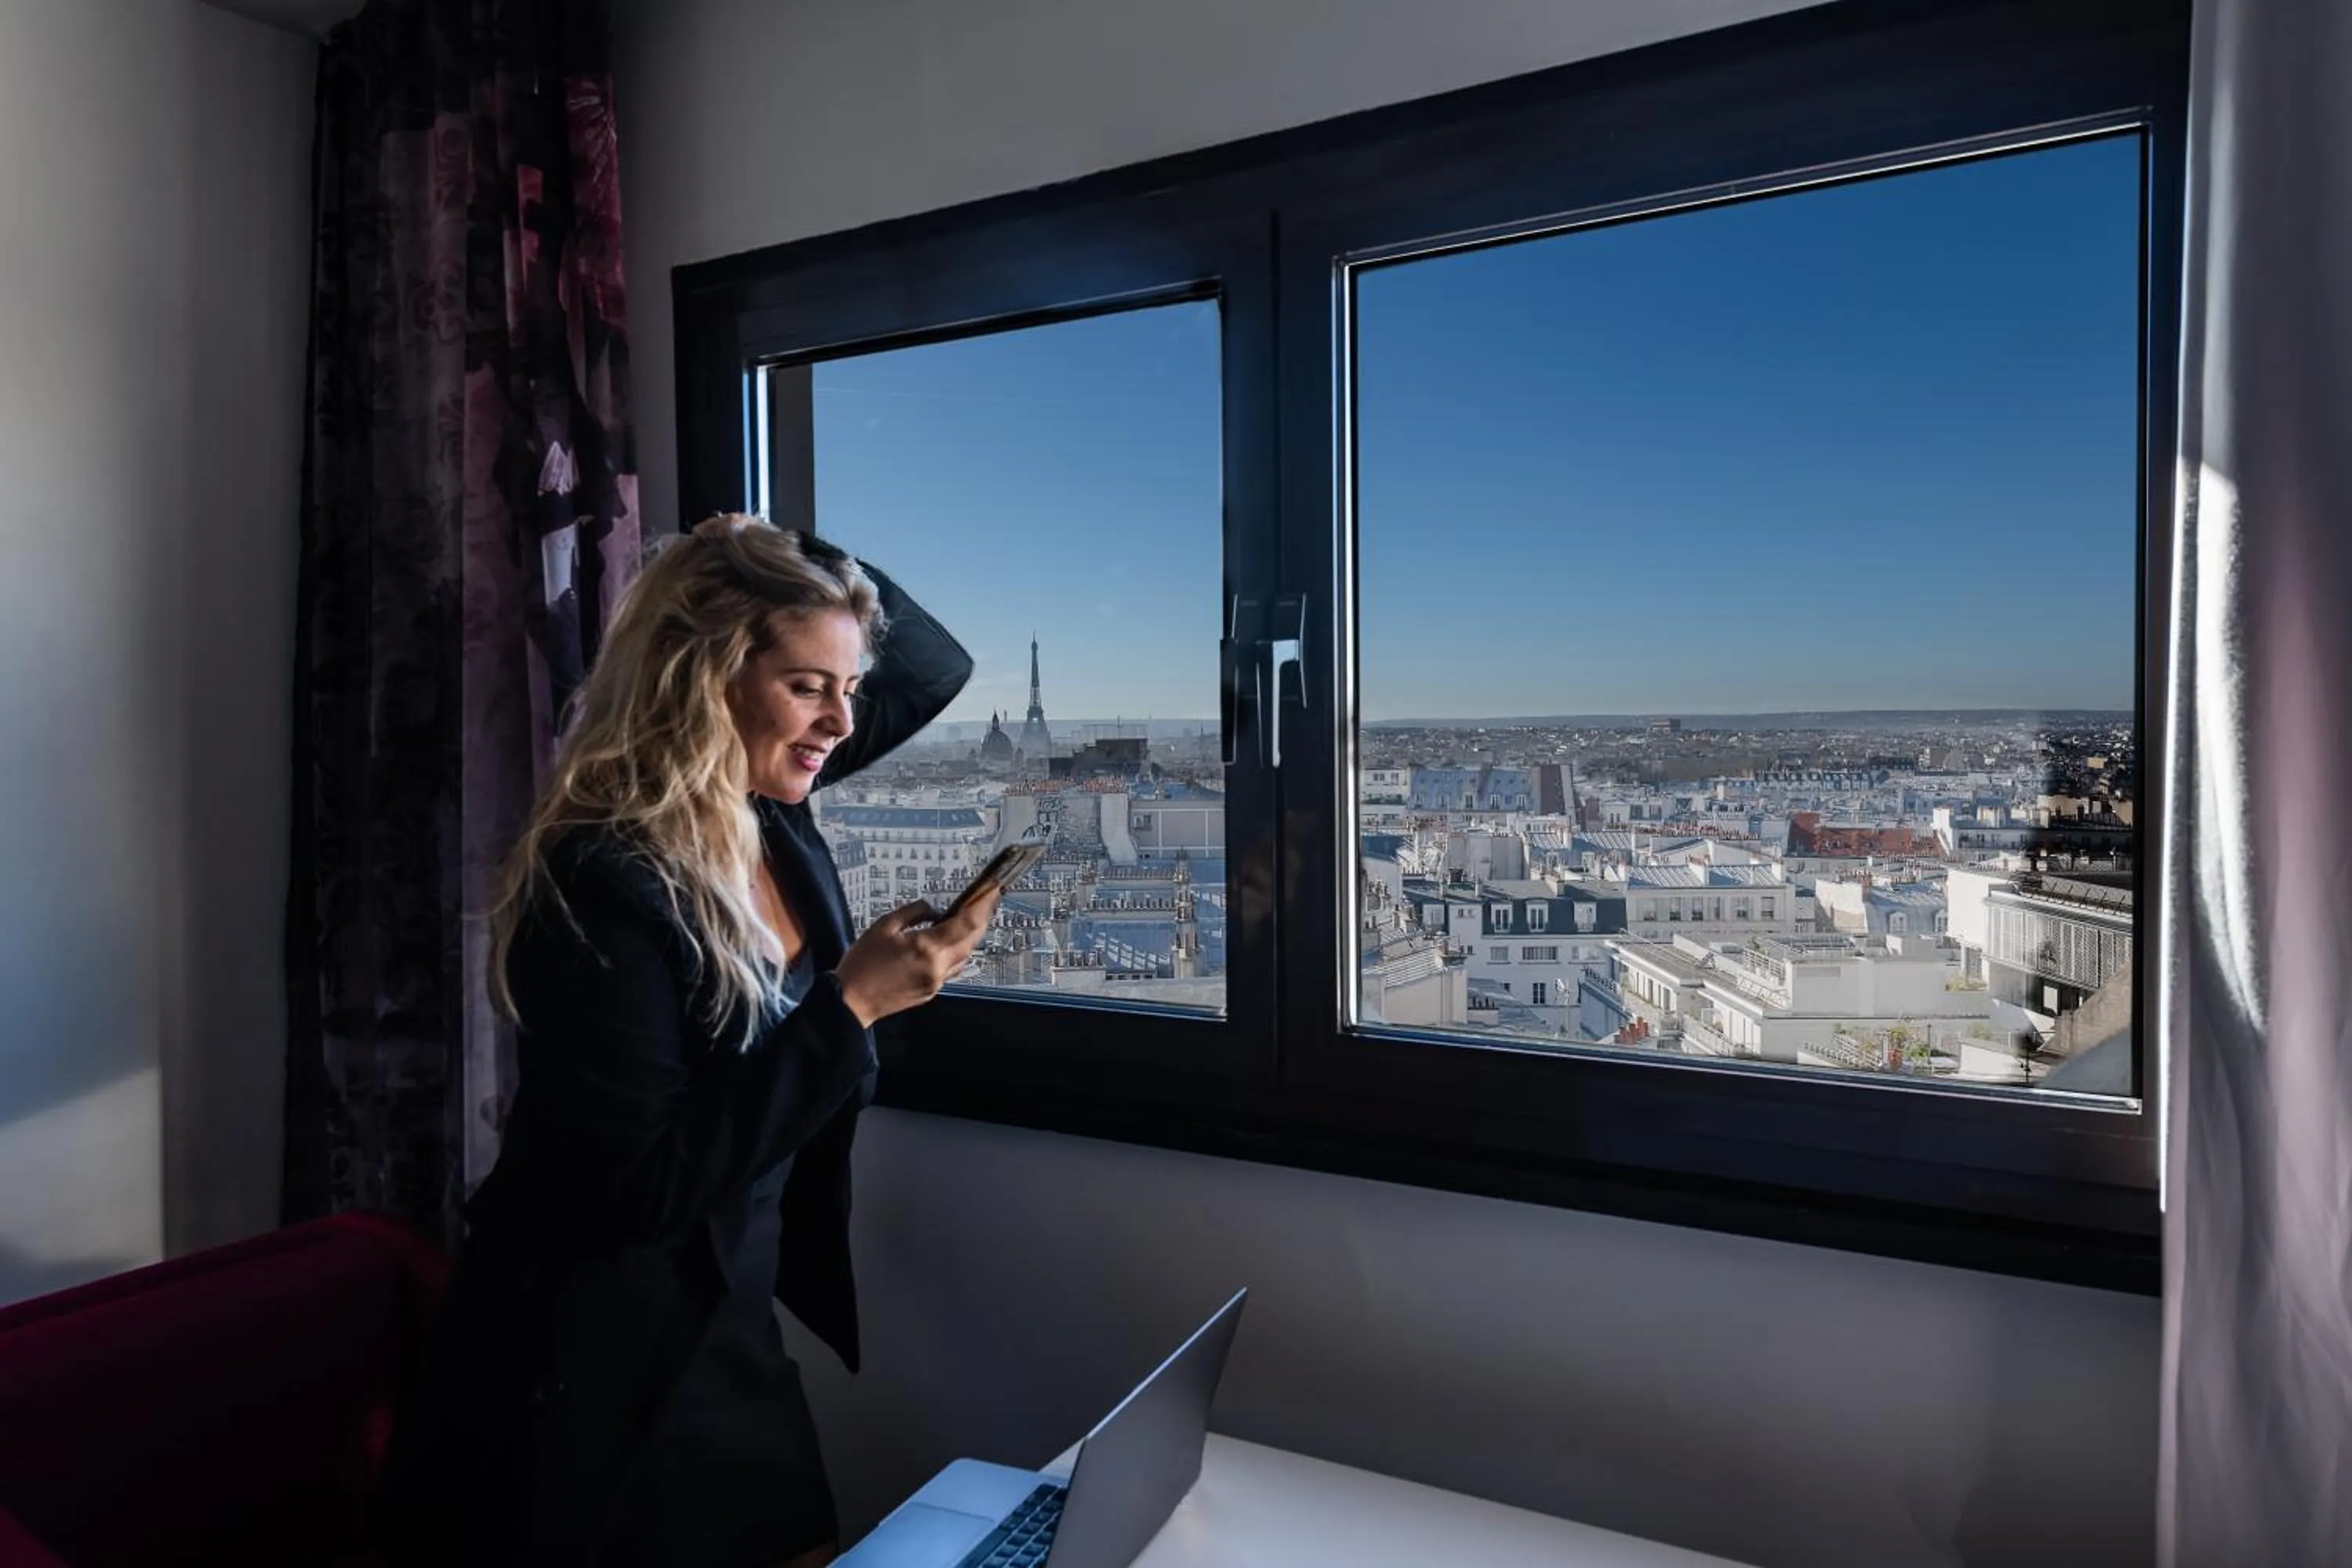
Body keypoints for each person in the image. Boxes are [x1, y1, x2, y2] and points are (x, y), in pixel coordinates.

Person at [380, 514, 999, 1567]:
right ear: (700, 672)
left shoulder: (770, 812)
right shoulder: (602, 879)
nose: (842, 722)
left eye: (848, 686)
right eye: (809, 685)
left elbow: (935, 664)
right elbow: (643, 1187)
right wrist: (848, 1009)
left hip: (726, 1323)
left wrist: (776, 545)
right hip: (586, 1364)